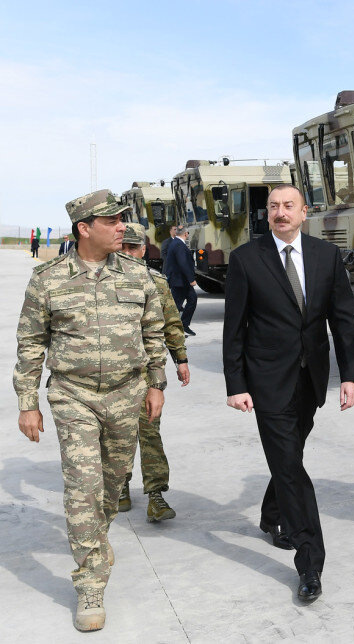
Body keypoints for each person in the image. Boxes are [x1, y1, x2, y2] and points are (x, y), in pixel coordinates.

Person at [13, 190, 167, 632]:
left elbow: (153, 332)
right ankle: (90, 583)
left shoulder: (138, 275)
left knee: (110, 487)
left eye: (123, 220)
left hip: (126, 394)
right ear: (85, 228)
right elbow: (30, 343)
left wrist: (156, 384)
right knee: (82, 487)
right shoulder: (48, 279)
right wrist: (28, 403)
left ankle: (95, 539)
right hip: (72, 395)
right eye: (112, 220)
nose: (122, 227)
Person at [222, 183, 354, 603]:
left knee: (288, 457)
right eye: (273, 206)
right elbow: (234, 329)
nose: (280, 213)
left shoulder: (325, 255)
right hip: (267, 381)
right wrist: (236, 384)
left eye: (288, 206)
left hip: (311, 379)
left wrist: (350, 375)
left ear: (305, 212)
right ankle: (310, 560)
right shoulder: (247, 259)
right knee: (291, 470)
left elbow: (343, 318)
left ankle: (270, 515)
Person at [119, 223, 191, 522]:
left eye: (132, 247)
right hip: (113, 376)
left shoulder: (156, 282)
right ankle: (121, 486)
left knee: (150, 432)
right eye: (122, 247)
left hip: (148, 374)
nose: (127, 253)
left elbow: (172, 323)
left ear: (143, 250)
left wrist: (181, 359)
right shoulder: (101, 281)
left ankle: (156, 496)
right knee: (118, 435)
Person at [164, 224, 197, 336]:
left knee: (192, 300)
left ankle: (184, 325)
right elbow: (183, 263)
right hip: (179, 281)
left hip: (182, 281)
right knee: (176, 306)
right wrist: (191, 279)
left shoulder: (177, 243)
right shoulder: (178, 245)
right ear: (186, 233)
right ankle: (171, 330)